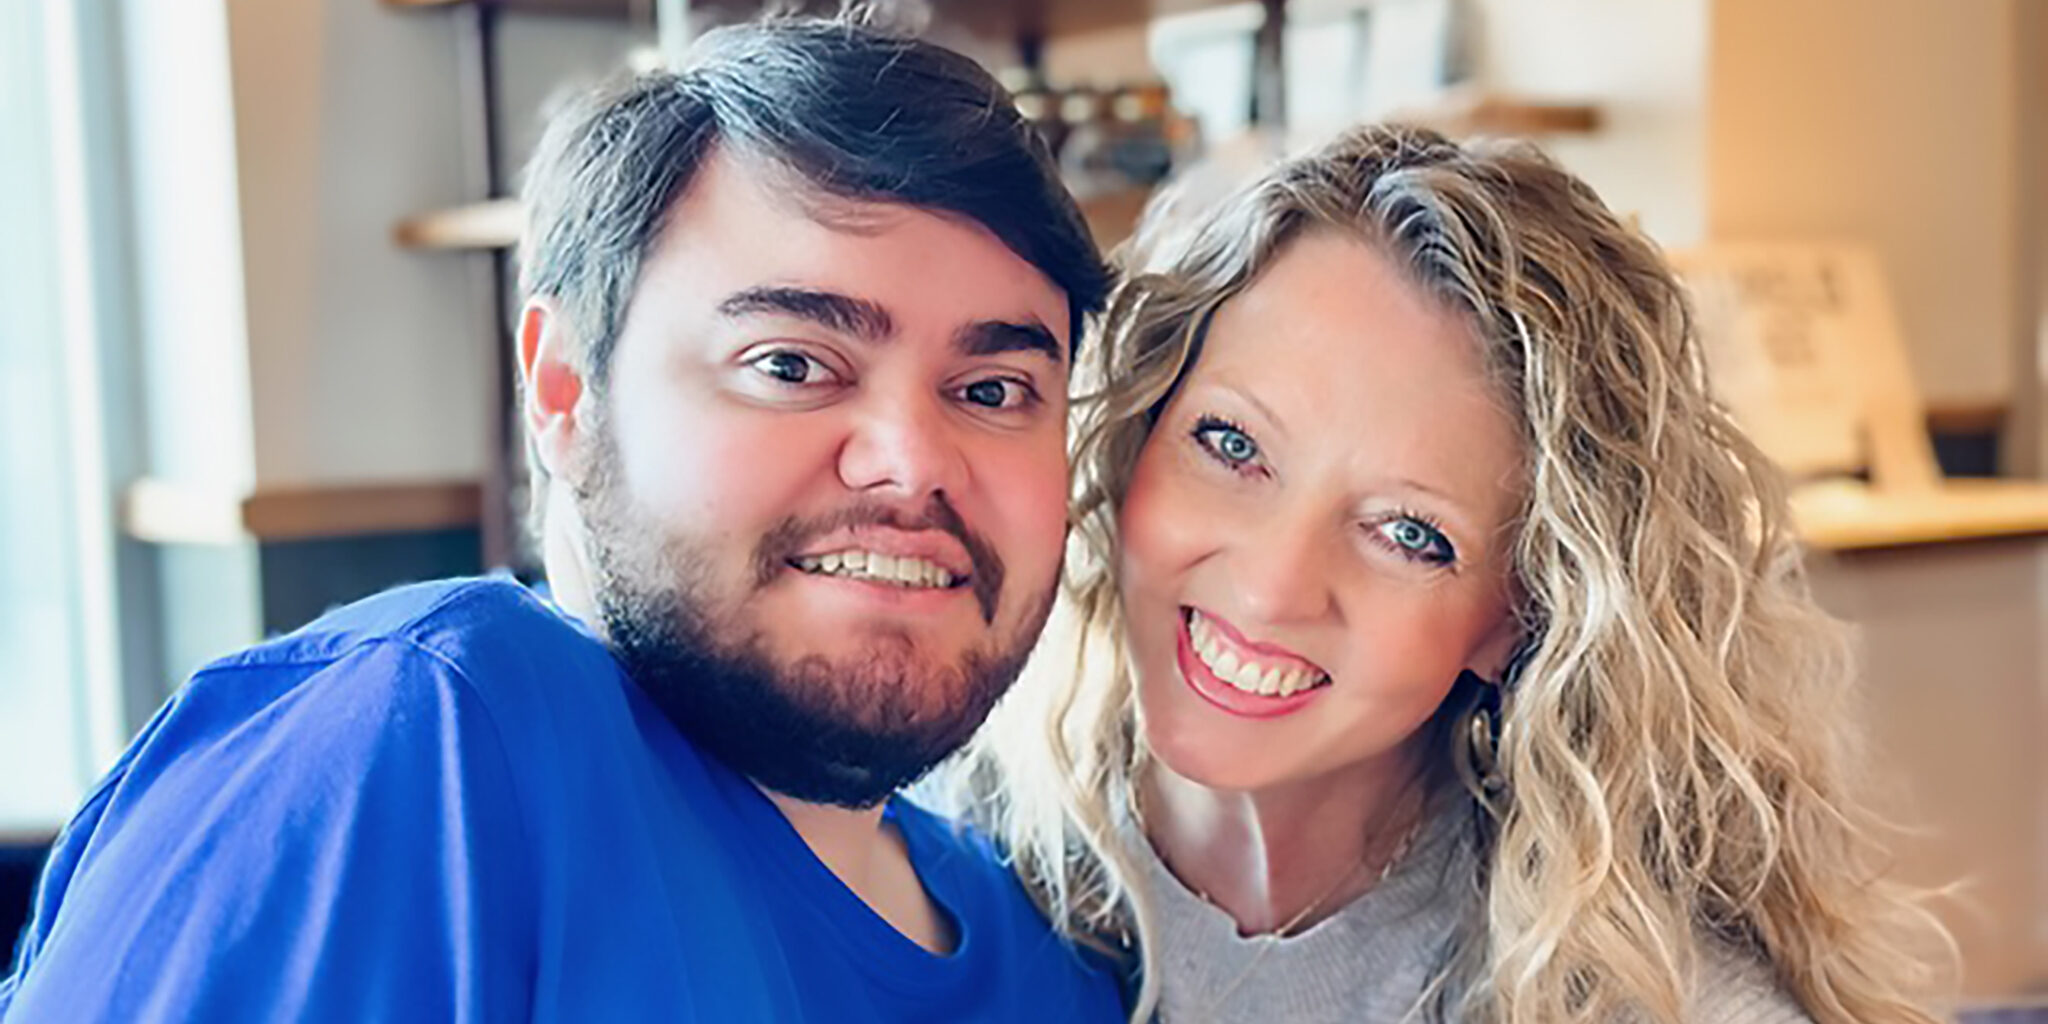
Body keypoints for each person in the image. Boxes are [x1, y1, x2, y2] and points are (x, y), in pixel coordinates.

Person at [0, 17, 1124, 1023]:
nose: (913, 463)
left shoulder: (1053, 962)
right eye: (790, 364)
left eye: (992, 391)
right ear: (564, 388)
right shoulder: (431, 746)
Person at [950, 125, 1951, 1023]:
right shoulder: (939, 851)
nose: (1270, 587)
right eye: (1232, 444)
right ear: (1137, 433)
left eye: (1407, 533)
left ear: (1523, 616)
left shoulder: (1644, 996)